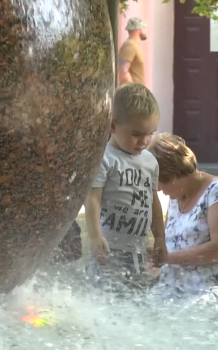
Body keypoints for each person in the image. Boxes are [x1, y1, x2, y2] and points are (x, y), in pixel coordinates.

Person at [146, 133, 218, 303]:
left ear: (172, 177)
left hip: (211, 291)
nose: (158, 189)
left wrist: (168, 258)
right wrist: (155, 253)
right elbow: (173, 242)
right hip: (172, 288)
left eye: (158, 182)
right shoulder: (176, 198)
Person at [84, 83, 166, 290]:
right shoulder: (105, 158)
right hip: (109, 248)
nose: (144, 141)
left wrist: (160, 238)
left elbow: (153, 201)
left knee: (136, 301)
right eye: (136, 134)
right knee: (103, 300)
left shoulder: (149, 161)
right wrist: (95, 236)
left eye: (150, 133)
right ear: (113, 126)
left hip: (137, 250)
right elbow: (92, 198)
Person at [118, 17, 148, 85]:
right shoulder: (130, 45)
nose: (146, 31)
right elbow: (123, 72)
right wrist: (134, 91)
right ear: (138, 30)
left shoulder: (135, 45)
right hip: (132, 93)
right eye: (144, 28)